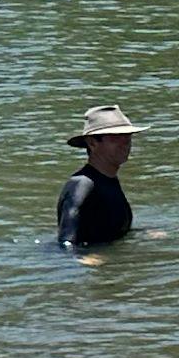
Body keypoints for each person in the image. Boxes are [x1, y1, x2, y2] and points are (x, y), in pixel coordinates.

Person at [56, 105, 144, 250]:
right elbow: (66, 242)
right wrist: (86, 257)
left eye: (127, 137)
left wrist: (142, 234)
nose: (125, 144)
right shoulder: (81, 184)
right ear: (92, 143)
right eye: (115, 138)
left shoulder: (108, 180)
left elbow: (108, 231)